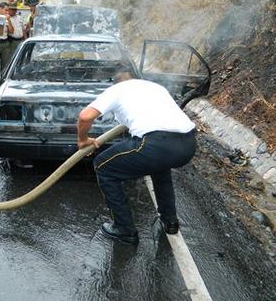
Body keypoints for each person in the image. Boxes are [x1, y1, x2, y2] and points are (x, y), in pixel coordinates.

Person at [77, 72, 197, 245]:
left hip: (156, 143)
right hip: (188, 144)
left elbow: (85, 116)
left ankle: (124, 229)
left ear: (116, 83)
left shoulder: (117, 90)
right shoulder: (155, 87)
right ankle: (170, 221)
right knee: (159, 166)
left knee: (103, 166)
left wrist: (82, 140)